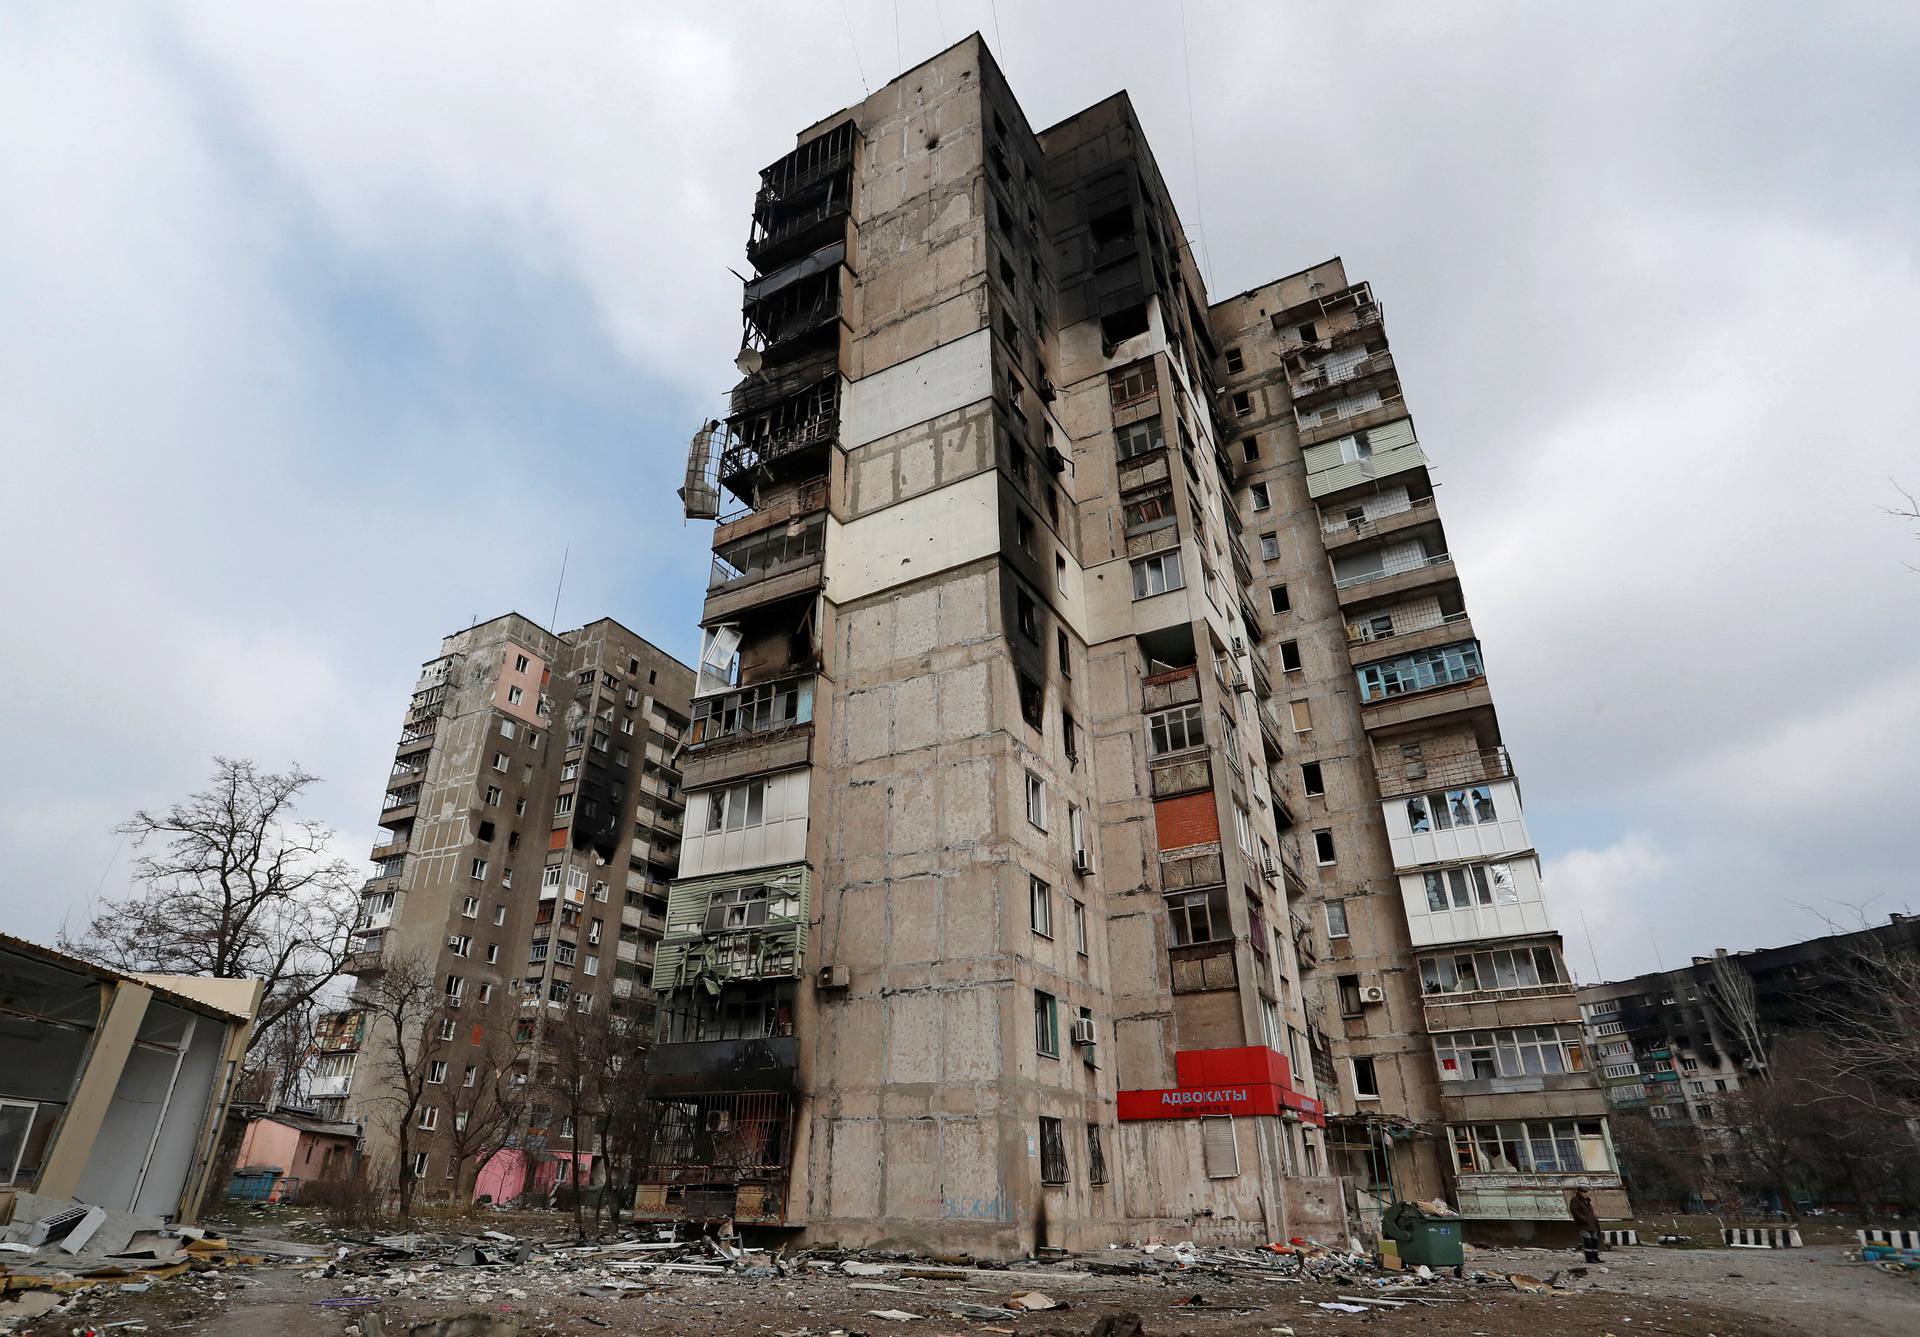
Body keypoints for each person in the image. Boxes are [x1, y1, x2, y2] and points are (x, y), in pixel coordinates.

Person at [1569, 1186, 1603, 1263]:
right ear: (1579, 1192)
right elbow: (1574, 1211)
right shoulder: (1575, 1200)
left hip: (1592, 1224)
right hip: (1583, 1225)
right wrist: (1583, 1219)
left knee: (1594, 1241)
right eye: (1584, 1192)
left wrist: (1595, 1220)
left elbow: (1591, 1213)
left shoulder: (1588, 1201)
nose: (1585, 1194)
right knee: (1587, 1241)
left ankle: (1595, 1257)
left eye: (1586, 1192)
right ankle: (1589, 1258)